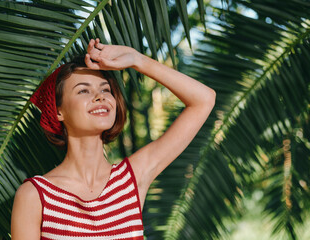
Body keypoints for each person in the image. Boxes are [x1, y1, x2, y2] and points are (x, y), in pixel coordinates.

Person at [11, 38, 216, 240]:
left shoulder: (131, 179)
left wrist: (137, 59)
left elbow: (204, 99)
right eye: (83, 90)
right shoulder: (34, 196)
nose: (100, 96)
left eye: (105, 89)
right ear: (58, 111)